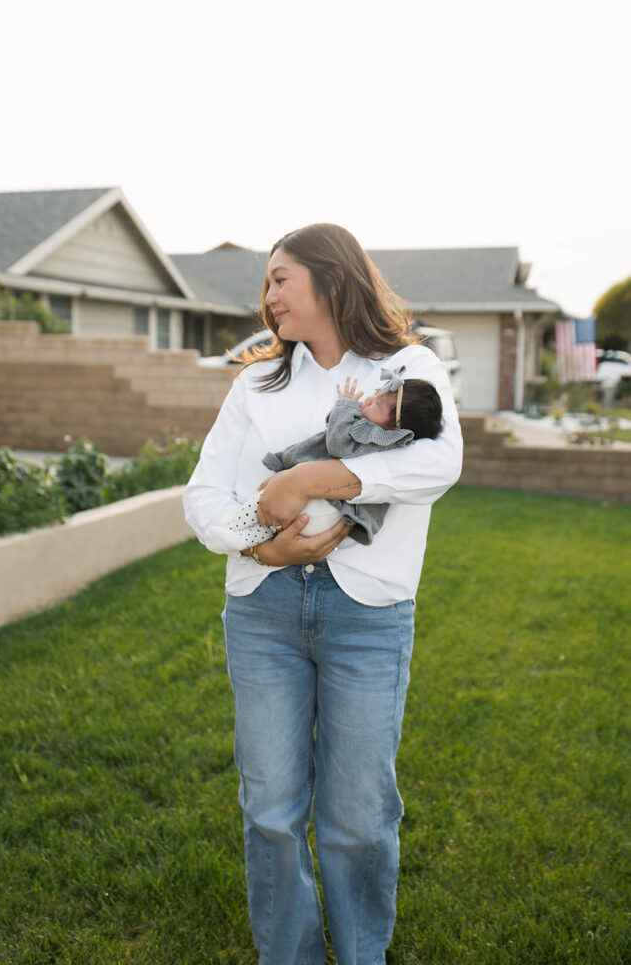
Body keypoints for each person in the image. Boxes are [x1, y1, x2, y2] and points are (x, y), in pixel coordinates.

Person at [183, 223, 463, 965]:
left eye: (281, 278)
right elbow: (204, 495)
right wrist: (258, 542)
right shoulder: (255, 384)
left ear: (332, 281)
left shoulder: (408, 367)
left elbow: (437, 465)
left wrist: (310, 479)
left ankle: (361, 955)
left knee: (359, 815)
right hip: (262, 612)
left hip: (365, 617)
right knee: (270, 809)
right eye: (267, 281)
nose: (266, 294)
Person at [204, 370, 443, 553]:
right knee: (273, 513)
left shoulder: (376, 437)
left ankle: (232, 527)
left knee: (266, 500)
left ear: (395, 428)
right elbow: (335, 430)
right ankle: (238, 537)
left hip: (326, 509)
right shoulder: (379, 433)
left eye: (378, 404)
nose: (370, 399)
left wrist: (344, 405)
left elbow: (337, 444)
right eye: (377, 393)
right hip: (326, 510)